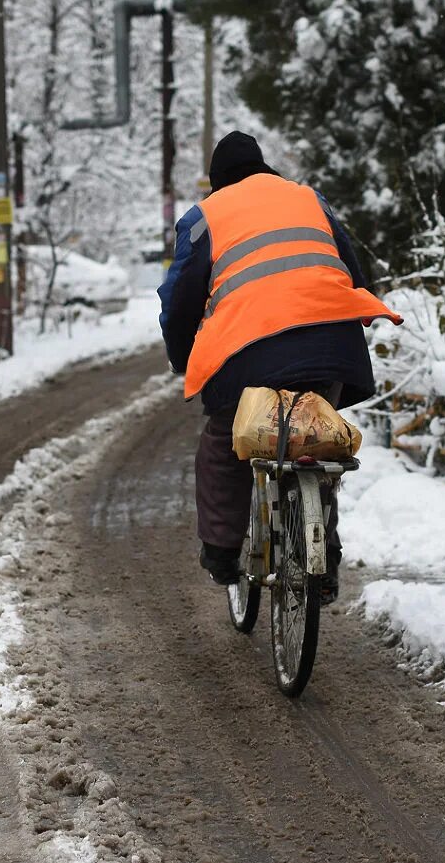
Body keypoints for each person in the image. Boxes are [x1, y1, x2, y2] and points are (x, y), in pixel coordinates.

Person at [158, 131, 402, 598]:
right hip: (332, 345)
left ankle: (223, 551)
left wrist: (182, 356)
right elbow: (353, 273)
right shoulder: (310, 199)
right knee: (316, 440)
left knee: (224, 442)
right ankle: (323, 561)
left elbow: (180, 302)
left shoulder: (205, 218)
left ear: (217, 183)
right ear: (265, 168)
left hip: (246, 355)